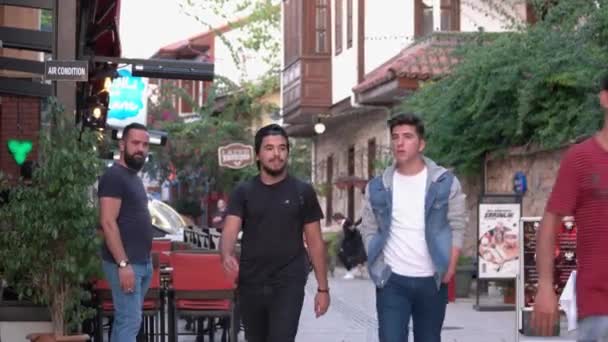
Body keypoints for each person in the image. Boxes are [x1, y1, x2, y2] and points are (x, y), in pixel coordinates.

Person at [359, 113, 467, 342]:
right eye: (395, 137)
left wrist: (451, 266)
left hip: (432, 279)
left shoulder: (445, 183)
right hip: (392, 281)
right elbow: (368, 226)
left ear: (421, 143)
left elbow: (457, 225)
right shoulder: (378, 187)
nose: (400, 142)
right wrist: (375, 257)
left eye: (407, 136)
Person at [220, 124, 330, 342]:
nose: (276, 154)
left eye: (282, 148)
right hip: (251, 282)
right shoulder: (244, 192)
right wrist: (226, 253)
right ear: (258, 155)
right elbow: (230, 229)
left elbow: (315, 242)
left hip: (289, 282)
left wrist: (323, 289)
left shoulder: (303, 192)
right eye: (269, 148)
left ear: (288, 152)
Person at [532, 76, 608, 341]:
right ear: (604, 99)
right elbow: (550, 224)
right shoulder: (580, 159)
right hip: (599, 308)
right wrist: (544, 287)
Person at [98, 123, 153, 342]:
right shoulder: (114, 176)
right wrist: (123, 264)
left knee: (127, 321)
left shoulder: (132, 176)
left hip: (140, 263)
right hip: (126, 263)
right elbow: (107, 222)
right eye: (136, 143)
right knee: (130, 321)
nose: (141, 148)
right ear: (122, 145)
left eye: (145, 144)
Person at [332, 212, 367, 279]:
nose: (337, 223)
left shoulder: (347, 222)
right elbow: (351, 230)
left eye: (336, 221)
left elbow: (353, 227)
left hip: (354, 243)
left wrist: (342, 245)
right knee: (353, 257)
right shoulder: (346, 223)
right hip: (352, 243)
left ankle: (351, 272)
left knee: (345, 255)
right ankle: (355, 271)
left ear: (338, 218)